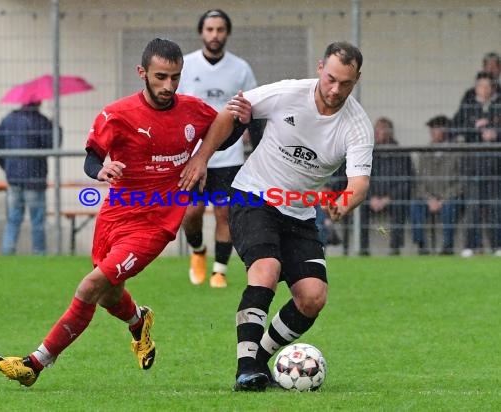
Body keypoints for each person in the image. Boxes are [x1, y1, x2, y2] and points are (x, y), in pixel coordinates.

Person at [0, 38, 252, 387]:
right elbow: (91, 157)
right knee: (109, 295)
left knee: (91, 287)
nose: (168, 86)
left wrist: (228, 134)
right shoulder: (117, 114)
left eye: (175, 77)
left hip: (157, 223)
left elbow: (225, 130)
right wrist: (100, 170)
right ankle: (137, 321)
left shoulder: (192, 110)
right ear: (142, 72)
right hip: (115, 215)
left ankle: (35, 363)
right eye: (161, 76)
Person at [180, 41, 374, 391]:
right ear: (320, 68)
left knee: (312, 297)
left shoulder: (357, 124)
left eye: (345, 83)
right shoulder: (287, 93)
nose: (335, 89)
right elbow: (232, 112)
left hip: (299, 213)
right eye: (331, 78)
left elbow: (358, 183)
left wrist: (345, 202)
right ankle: (245, 369)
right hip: (253, 195)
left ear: (357, 79)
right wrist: (201, 158)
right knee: (266, 269)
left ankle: (259, 360)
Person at [178, 9, 258, 288]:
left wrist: (247, 131)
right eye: (210, 29)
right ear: (201, 32)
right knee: (191, 213)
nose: (214, 35)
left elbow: (252, 107)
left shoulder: (241, 69)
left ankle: (219, 271)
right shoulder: (186, 65)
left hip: (229, 155)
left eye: (220, 29)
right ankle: (198, 251)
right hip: (194, 157)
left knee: (225, 213)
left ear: (227, 33)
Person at [0, 101, 57, 255]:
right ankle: (39, 253)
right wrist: (55, 127)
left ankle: (7, 251)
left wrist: (6, 166)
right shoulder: (41, 120)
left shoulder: (9, 119)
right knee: (37, 221)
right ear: (38, 102)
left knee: (13, 219)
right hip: (35, 178)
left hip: (14, 179)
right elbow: (52, 145)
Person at [452, 71, 501, 257]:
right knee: (473, 206)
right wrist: (475, 127)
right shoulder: (467, 107)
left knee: (495, 207)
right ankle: (470, 246)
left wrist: (495, 133)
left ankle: (497, 246)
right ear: (476, 87)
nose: (484, 89)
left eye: (487, 86)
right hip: (473, 165)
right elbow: (454, 127)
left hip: (496, 166)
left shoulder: (498, 105)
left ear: (492, 88)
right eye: (481, 86)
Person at [410, 115, 463, 255]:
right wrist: (429, 199)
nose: (433, 132)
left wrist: (443, 199)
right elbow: (419, 182)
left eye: (437, 128)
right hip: (429, 198)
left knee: (450, 208)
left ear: (446, 130)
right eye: (432, 129)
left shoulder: (456, 152)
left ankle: (447, 246)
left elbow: (461, 182)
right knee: (415, 206)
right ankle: (421, 245)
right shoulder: (425, 153)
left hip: (449, 198)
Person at [360, 117, 413, 256]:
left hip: (393, 199)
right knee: (358, 205)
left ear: (390, 132)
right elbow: (362, 178)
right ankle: (362, 248)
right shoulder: (367, 153)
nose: (377, 133)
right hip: (370, 198)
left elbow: (406, 181)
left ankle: (395, 248)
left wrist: (388, 198)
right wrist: (371, 197)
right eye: (375, 129)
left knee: (400, 205)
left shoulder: (401, 154)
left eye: (381, 129)